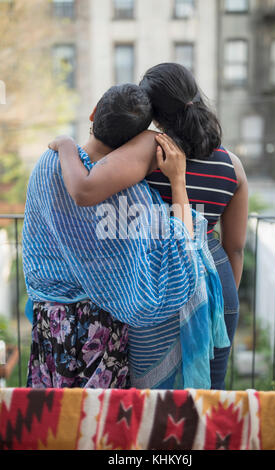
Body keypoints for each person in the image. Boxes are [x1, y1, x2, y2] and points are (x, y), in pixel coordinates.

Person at [50, 63, 248, 390]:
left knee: (155, 410)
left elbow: (85, 189)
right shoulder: (232, 164)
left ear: (151, 109)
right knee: (207, 407)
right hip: (217, 287)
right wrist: (215, 302)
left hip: (159, 287)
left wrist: (65, 144)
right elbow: (236, 248)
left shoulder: (150, 147)